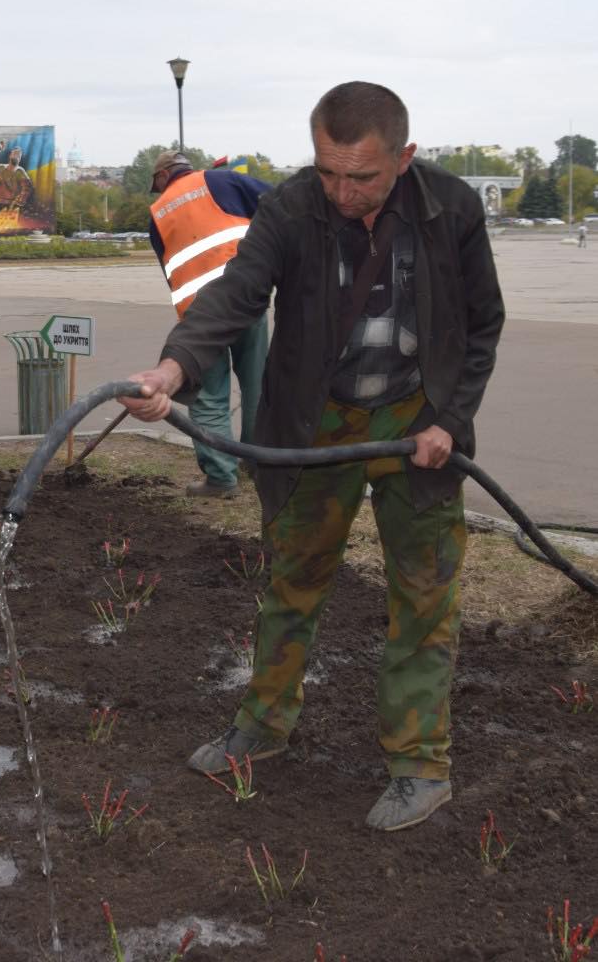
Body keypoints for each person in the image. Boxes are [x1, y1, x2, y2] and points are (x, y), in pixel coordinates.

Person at [120, 82, 505, 831]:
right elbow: (233, 295)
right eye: (328, 171)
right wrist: (173, 370)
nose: (341, 191)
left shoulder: (450, 208)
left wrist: (450, 422)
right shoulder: (291, 207)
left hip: (414, 423)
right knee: (291, 580)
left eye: (360, 176)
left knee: (423, 595)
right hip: (311, 422)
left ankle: (419, 766)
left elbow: (482, 324)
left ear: (405, 156)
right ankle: (262, 727)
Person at [148, 150, 271, 497]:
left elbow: (169, 272)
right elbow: (278, 205)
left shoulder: (157, 213)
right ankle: (259, 462)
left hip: (200, 317)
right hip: (247, 297)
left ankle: (221, 478)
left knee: (208, 395)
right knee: (258, 384)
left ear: (162, 176)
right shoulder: (224, 181)